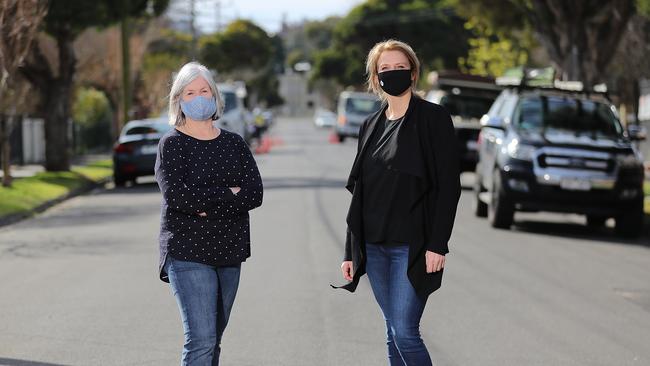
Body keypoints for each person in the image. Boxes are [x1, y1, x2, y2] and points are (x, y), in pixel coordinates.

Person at [335, 40, 461, 365]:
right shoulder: (370, 125)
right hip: (374, 247)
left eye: (400, 67)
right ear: (376, 78)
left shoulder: (434, 119)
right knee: (391, 330)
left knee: (405, 330)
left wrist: (438, 244)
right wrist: (351, 251)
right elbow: (361, 193)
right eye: (385, 69)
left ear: (413, 72)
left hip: (413, 247)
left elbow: (448, 187)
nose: (393, 74)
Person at [155, 61, 263, 365]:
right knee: (201, 339)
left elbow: (254, 194)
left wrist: (205, 204)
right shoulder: (172, 145)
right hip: (187, 252)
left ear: (215, 96)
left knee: (213, 338)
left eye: (204, 90)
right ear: (178, 100)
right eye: (190, 92)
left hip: (229, 251)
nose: (199, 97)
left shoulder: (235, 144)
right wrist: (229, 194)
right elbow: (178, 197)